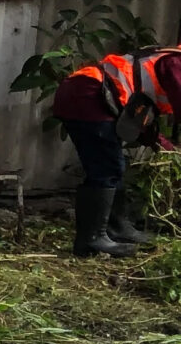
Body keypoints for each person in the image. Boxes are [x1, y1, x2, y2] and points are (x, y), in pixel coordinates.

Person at [53, 45, 181, 255]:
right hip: (90, 94)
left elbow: (139, 117)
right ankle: (91, 240)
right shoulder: (175, 63)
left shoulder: (167, 60)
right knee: (107, 167)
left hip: (88, 93)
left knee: (112, 163)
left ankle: (116, 227)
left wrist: (167, 148)